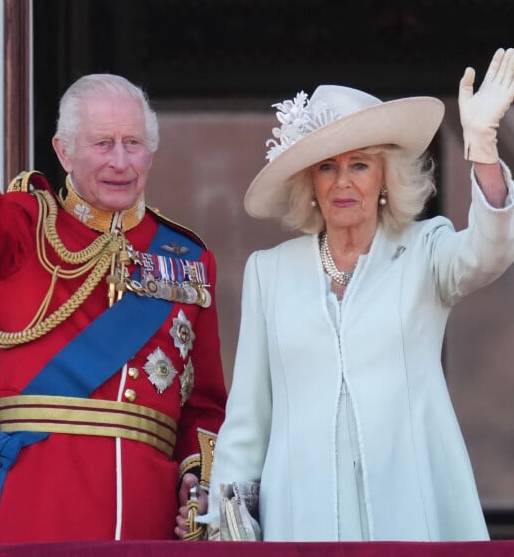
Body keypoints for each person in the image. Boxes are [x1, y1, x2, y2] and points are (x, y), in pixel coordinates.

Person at [175, 47, 514, 541]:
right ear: (309, 182)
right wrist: (229, 521)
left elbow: (489, 252)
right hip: (300, 517)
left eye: (360, 165)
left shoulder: (425, 251)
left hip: (410, 513)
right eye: (327, 167)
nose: (343, 182)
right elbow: (249, 417)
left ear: (384, 178)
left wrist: (483, 149)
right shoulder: (269, 272)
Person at [0, 0, 227, 544]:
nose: (121, 161)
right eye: (102, 144)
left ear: (151, 153)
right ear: (64, 152)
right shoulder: (24, 228)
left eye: (133, 144)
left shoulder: (188, 261)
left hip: (147, 521)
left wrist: (199, 481)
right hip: (31, 510)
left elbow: (205, 405)